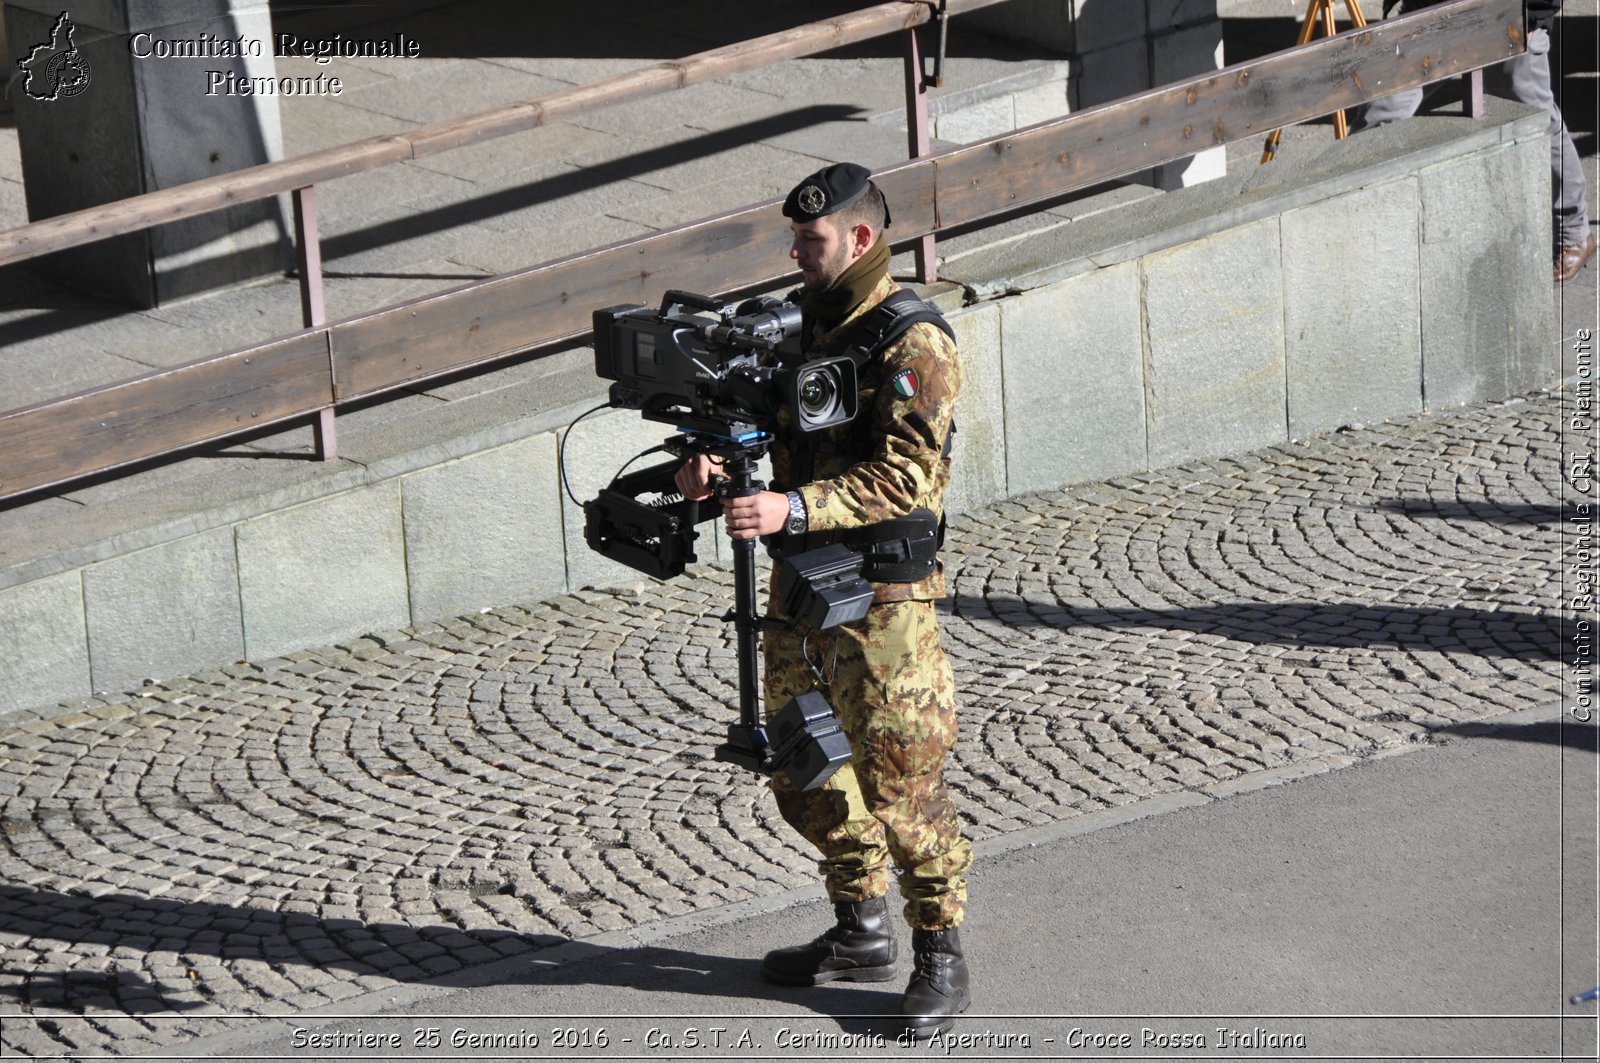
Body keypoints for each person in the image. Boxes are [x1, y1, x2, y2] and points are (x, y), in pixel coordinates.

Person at [674, 162, 972, 1039]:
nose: (795, 252)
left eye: (811, 240)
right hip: (801, 583)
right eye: (796, 240)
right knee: (802, 761)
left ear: (862, 239)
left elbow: (907, 477)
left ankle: (941, 952)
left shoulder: (914, 340)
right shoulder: (802, 322)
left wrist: (794, 506)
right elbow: (773, 428)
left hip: (882, 597)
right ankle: (860, 927)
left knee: (900, 779)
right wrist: (715, 473)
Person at [1356, 0, 1593, 282]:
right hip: (1428, 14)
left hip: (1507, 13)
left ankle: (1574, 231)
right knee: (1381, 114)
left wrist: (1532, 14)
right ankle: (1364, 232)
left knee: (1537, 119)